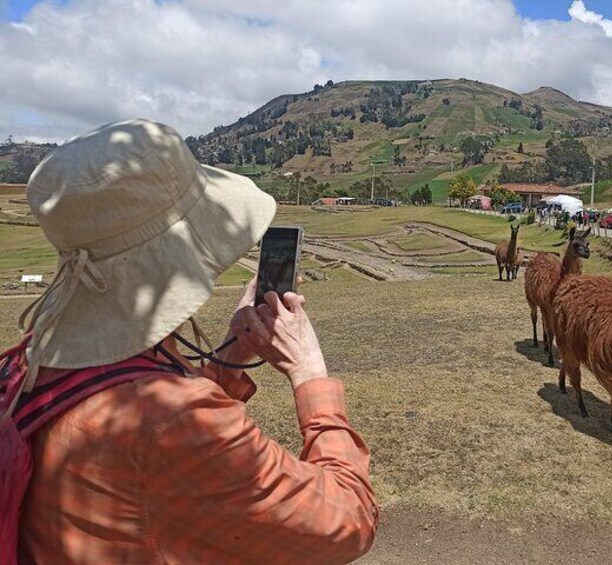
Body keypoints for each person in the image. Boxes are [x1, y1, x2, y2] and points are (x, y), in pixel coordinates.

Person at [0, 120, 378, 564]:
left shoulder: (28, 364)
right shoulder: (169, 420)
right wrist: (309, 375)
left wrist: (233, 352)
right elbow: (346, 523)